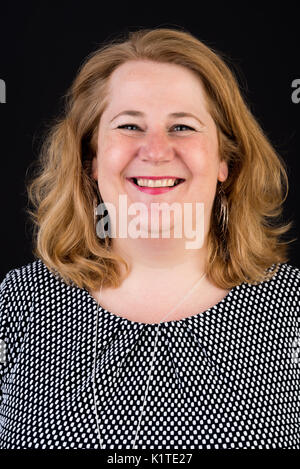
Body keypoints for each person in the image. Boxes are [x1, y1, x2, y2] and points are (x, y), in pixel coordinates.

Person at [0, 27, 299, 450]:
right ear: (91, 159)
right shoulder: (19, 304)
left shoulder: (292, 307)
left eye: (181, 127)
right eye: (128, 125)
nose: (156, 151)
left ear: (224, 160)